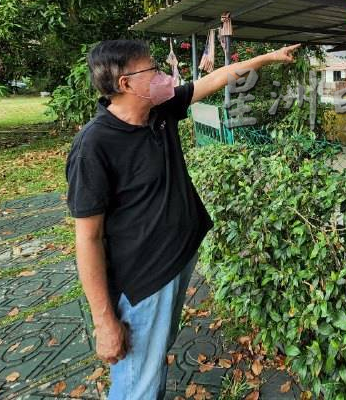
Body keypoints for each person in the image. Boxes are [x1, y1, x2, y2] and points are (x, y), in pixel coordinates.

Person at [65, 39, 300, 399]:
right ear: (125, 83)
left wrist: (268, 57)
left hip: (176, 261)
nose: (162, 76)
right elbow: (88, 239)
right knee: (137, 383)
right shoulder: (94, 146)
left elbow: (217, 78)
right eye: (153, 70)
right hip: (143, 280)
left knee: (154, 360)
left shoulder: (160, 110)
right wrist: (104, 322)